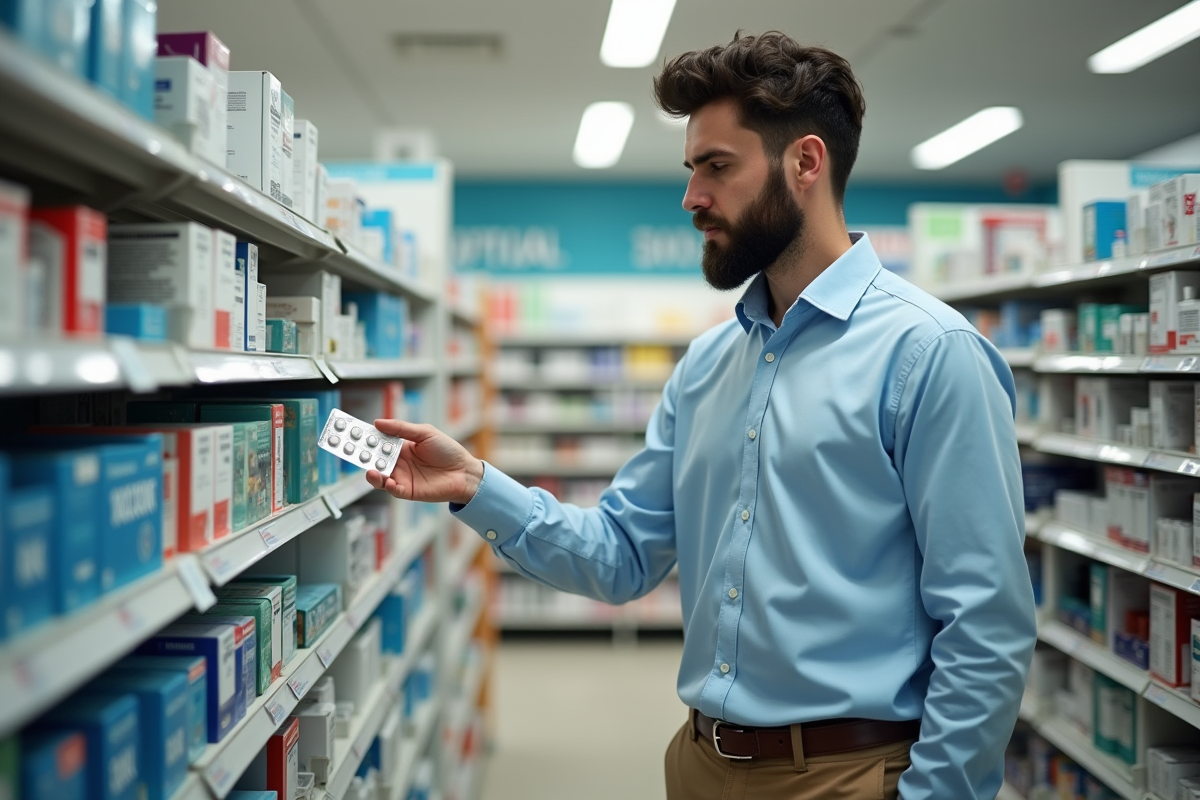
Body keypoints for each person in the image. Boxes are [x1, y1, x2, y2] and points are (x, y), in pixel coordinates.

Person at [366, 30, 1036, 800]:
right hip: (698, 765)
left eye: (717, 166)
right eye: (691, 170)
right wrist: (474, 485)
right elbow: (621, 553)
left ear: (805, 163)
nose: (692, 198)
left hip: (847, 775)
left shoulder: (931, 354)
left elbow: (986, 624)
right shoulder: (710, 364)